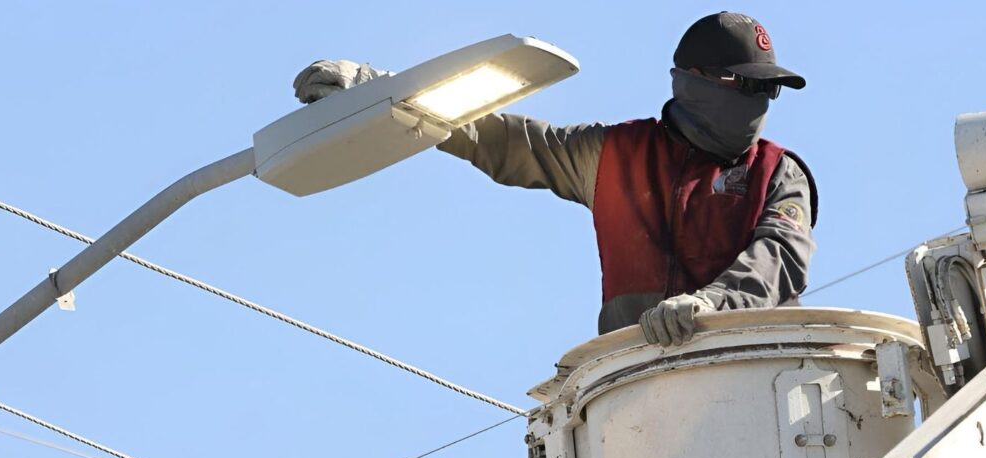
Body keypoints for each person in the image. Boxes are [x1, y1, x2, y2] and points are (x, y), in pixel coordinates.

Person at [293, 12, 817, 347]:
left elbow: (778, 259)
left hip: (751, 372)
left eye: (767, 91)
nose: (758, 102)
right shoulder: (614, 156)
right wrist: (374, 91)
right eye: (744, 85)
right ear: (690, 81)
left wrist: (709, 308)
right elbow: (497, 139)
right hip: (633, 381)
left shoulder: (778, 174)